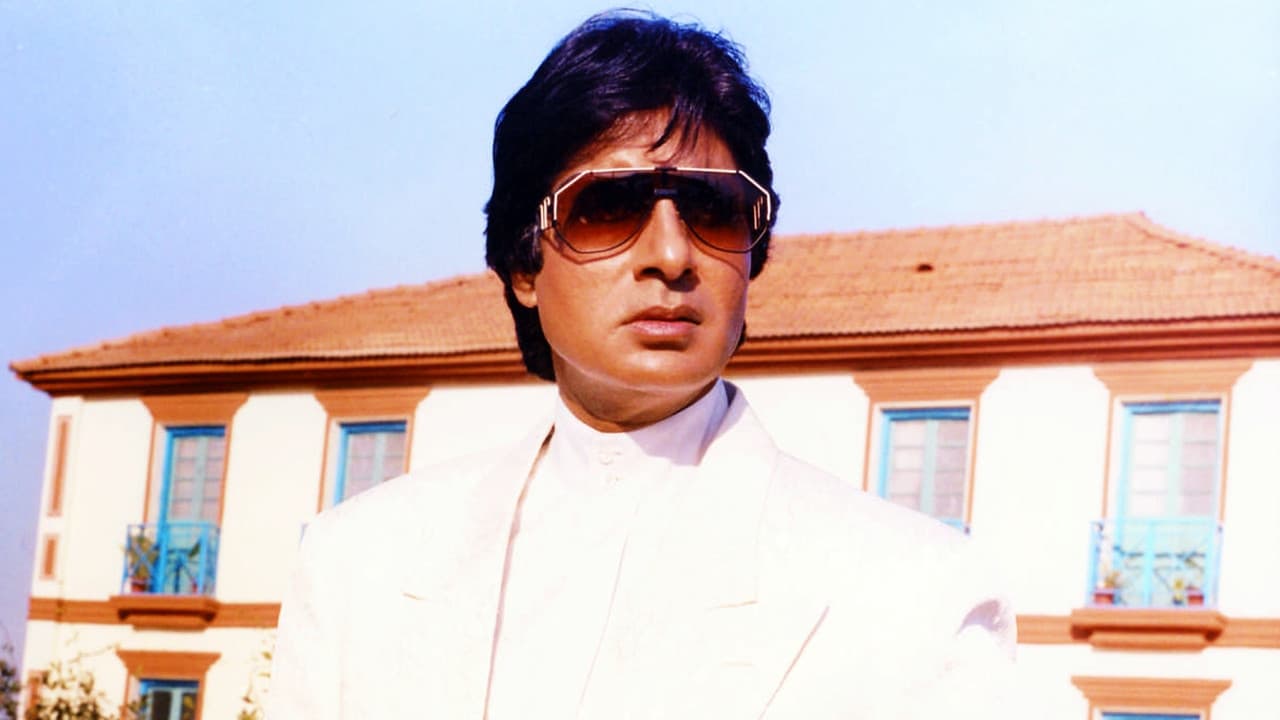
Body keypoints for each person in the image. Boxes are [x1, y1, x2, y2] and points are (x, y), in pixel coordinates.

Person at [269, 10, 1015, 719]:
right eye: (608, 207)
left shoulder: (919, 596)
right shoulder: (356, 566)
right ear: (523, 265)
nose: (671, 254)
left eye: (714, 209)